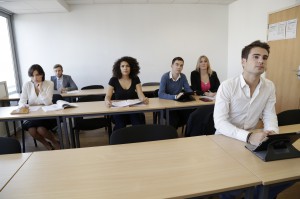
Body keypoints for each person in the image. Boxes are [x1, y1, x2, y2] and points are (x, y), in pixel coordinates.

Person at [214, 40, 291, 199]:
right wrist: (248, 136)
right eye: (256, 57)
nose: (261, 61)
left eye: (265, 57)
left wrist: (272, 134)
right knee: (230, 186)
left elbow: (269, 115)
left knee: (281, 173)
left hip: (253, 139)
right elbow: (220, 123)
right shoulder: (227, 86)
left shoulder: (269, 86)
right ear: (243, 61)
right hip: (226, 139)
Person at [19, 64, 60, 150]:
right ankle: (46, 144)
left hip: (46, 113)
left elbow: (48, 103)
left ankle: (55, 141)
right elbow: (22, 100)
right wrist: (24, 106)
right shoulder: (27, 85)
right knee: (32, 131)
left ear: (42, 74)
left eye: (37, 75)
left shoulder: (49, 83)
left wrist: (41, 90)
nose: (35, 78)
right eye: (32, 75)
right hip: (33, 114)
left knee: (41, 130)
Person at [105, 56, 149, 131]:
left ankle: (139, 140)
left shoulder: (135, 78)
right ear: (119, 68)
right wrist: (107, 100)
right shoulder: (113, 80)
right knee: (120, 125)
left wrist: (143, 99)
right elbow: (108, 96)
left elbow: (140, 93)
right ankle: (118, 141)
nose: (125, 68)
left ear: (131, 68)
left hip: (132, 108)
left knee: (137, 123)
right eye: (123, 66)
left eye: (127, 66)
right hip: (119, 109)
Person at [158, 57, 193, 129]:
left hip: (177, 104)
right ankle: (172, 137)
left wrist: (191, 93)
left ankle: (188, 136)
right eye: (177, 64)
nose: (179, 67)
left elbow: (188, 90)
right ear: (172, 65)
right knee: (174, 119)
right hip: (166, 106)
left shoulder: (183, 76)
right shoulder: (165, 77)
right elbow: (160, 94)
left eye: (181, 65)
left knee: (191, 115)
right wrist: (175, 97)